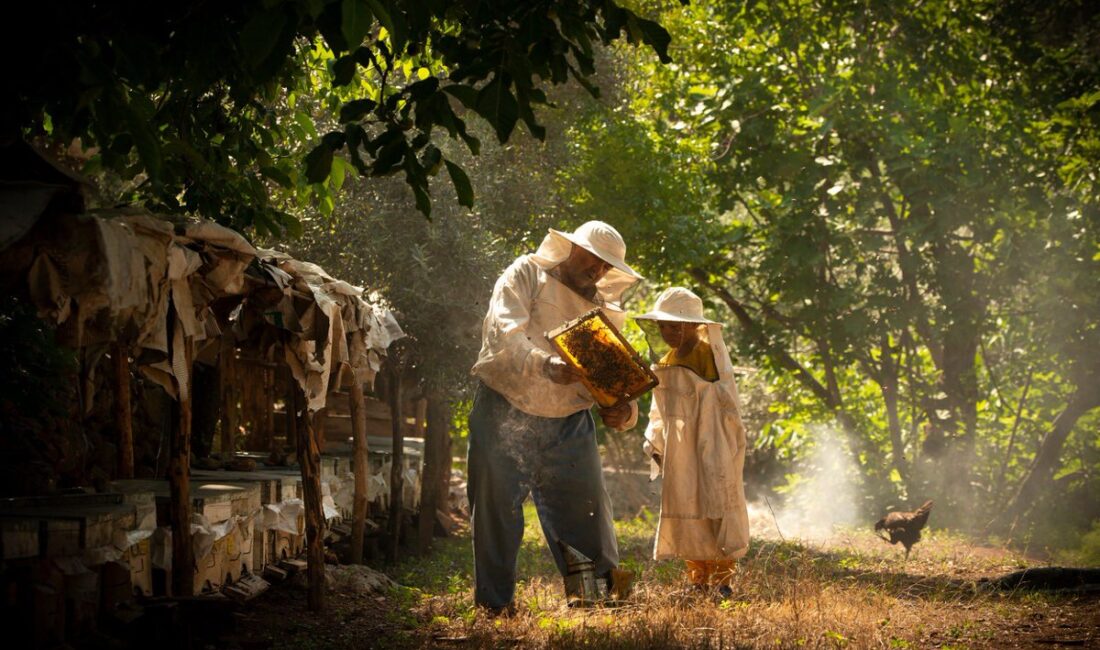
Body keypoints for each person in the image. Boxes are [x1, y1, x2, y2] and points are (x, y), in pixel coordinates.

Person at [467, 221, 642, 614]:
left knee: (588, 511)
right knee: (496, 512)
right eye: (593, 261)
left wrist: (623, 410)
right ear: (570, 249)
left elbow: (618, 381)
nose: (597, 272)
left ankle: (596, 600)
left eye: (605, 268)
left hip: (568, 423)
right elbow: (503, 331)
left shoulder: (603, 312)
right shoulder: (526, 272)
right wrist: (544, 364)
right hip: (504, 409)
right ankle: (495, 608)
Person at [634, 287, 749, 598]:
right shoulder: (669, 358)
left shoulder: (710, 356)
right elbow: (661, 407)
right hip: (680, 446)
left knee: (717, 502)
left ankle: (723, 582)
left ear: (696, 326)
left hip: (712, 441)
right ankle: (697, 580)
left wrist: (720, 446)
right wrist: (655, 439)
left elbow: (722, 406)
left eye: (675, 326)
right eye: (663, 326)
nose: (668, 332)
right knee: (688, 504)